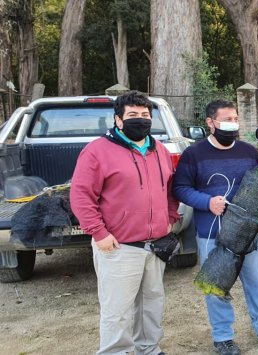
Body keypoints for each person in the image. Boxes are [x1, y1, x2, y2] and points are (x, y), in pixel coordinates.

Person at [70, 91, 179, 355]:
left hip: (155, 245)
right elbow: (81, 195)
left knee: (151, 304)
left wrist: (171, 218)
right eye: (132, 115)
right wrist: (99, 233)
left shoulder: (159, 150)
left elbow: (170, 190)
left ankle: (148, 348)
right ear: (118, 119)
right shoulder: (97, 151)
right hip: (118, 247)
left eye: (145, 116)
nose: (140, 120)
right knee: (117, 310)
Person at [173, 100, 258, 354]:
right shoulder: (194, 154)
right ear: (210, 123)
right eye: (227, 119)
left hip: (247, 233)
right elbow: (180, 188)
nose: (233, 124)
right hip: (212, 233)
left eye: (235, 119)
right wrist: (206, 202)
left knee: (256, 283)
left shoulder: (248, 151)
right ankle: (223, 337)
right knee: (217, 287)